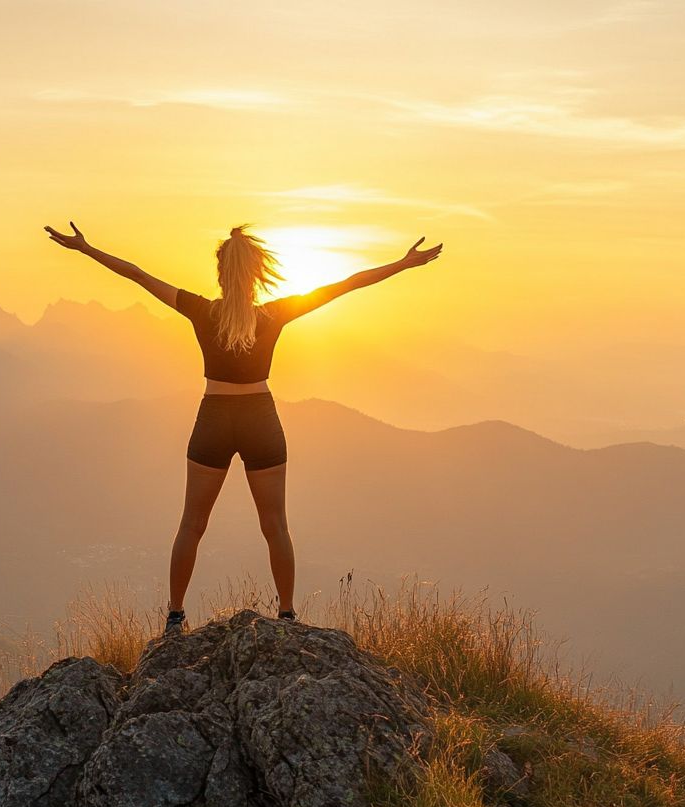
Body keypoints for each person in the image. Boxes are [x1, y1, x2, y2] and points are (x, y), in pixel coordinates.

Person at [44, 221, 443, 636]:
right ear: (256, 274)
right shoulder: (274, 313)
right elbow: (347, 284)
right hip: (260, 420)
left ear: (220, 273)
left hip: (213, 419)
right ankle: (286, 616)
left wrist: (87, 249)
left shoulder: (198, 309)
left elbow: (138, 274)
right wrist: (402, 263)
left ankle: (175, 618)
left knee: (191, 526)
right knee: (276, 526)